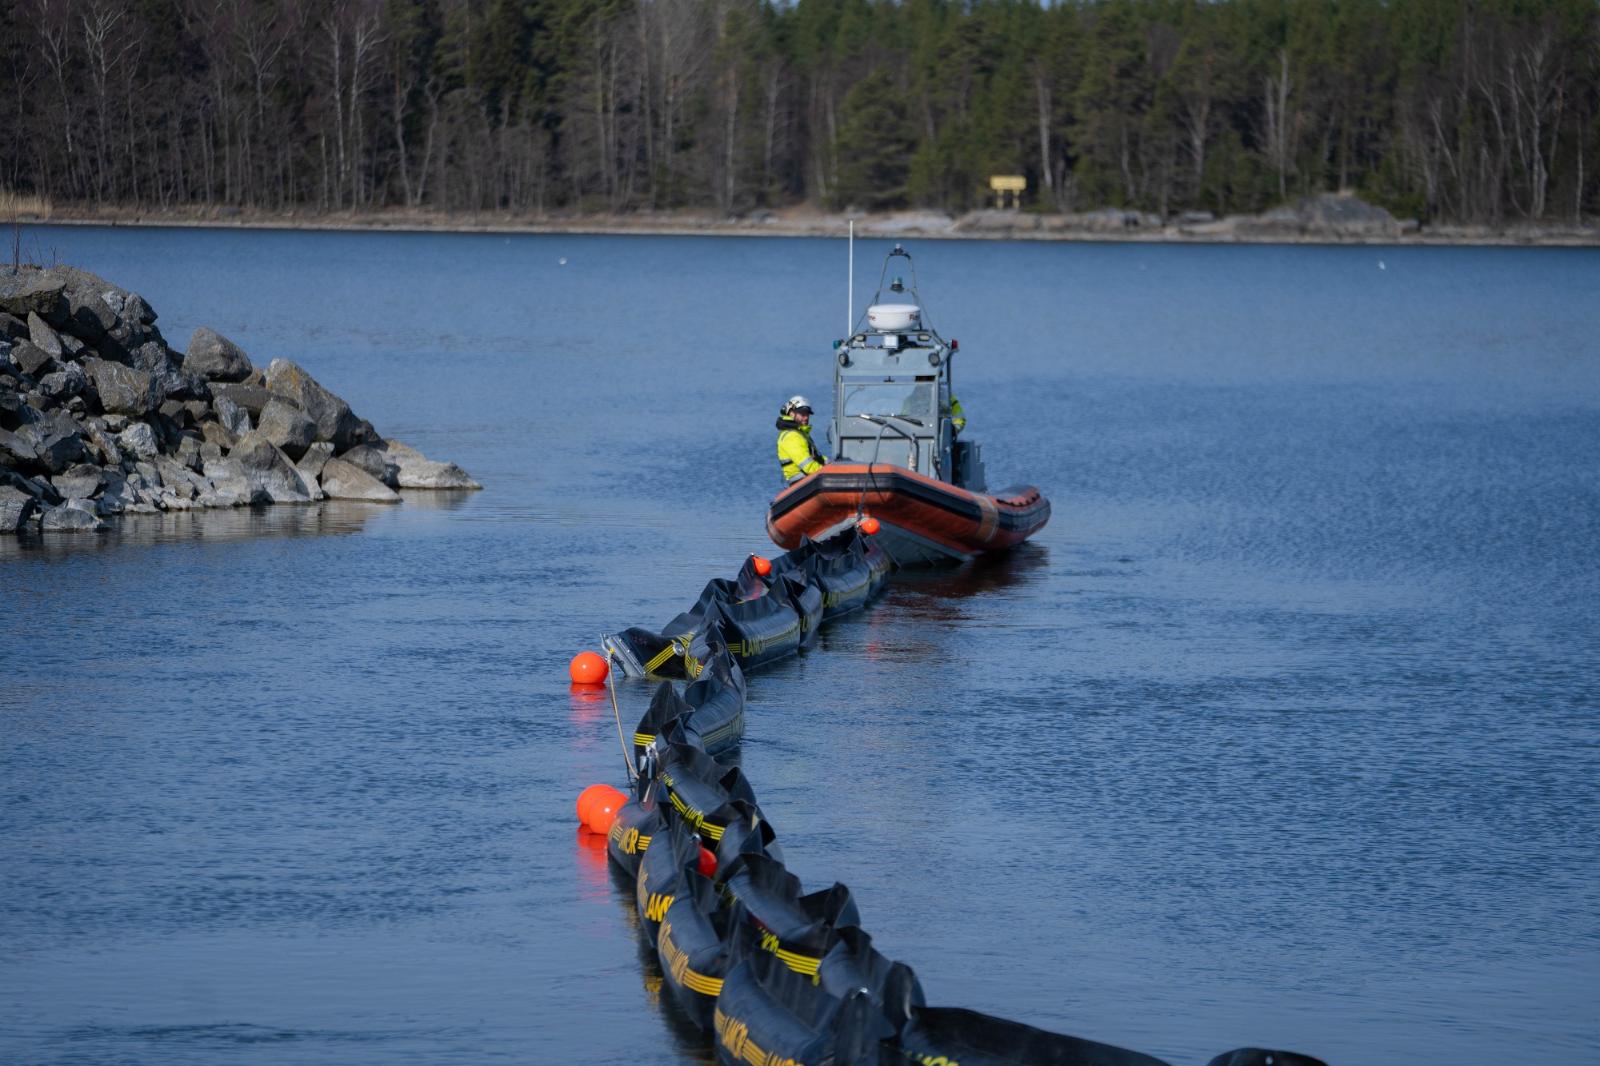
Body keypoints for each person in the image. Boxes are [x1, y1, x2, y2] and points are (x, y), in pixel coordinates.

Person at [776, 395, 827, 484]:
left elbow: (817, 457)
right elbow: (808, 466)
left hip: (807, 481)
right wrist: (828, 472)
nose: (806, 417)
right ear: (791, 413)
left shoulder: (800, 433)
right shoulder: (791, 437)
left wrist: (832, 464)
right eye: (802, 414)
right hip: (801, 482)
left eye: (807, 414)